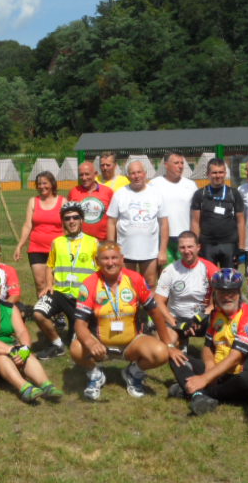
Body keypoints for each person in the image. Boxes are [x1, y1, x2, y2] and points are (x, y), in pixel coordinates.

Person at [71, 241, 176, 400]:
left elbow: (155, 312)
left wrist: (169, 345)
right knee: (76, 348)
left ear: (122, 259)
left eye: (114, 258)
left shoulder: (135, 279)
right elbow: (79, 324)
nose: (110, 262)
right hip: (100, 344)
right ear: (97, 261)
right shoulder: (89, 283)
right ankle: (95, 375)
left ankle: (133, 373)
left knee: (161, 353)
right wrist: (91, 343)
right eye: (105, 258)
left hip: (131, 344)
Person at [167, 268, 248, 414]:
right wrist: (209, 365)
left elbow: (235, 358)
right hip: (218, 372)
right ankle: (201, 394)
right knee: (176, 357)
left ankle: (199, 394)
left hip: (241, 376)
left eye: (231, 292)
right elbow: (207, 346)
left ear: (239, 293)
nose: (227, 297)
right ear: (215, 294)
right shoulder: (216, 314)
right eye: (222, 292)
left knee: (245, 379)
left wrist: (205, 379)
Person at [0, 272, 63, 404]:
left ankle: (47, 386)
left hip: (8, 354)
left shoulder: (10, 308)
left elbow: (22, 332)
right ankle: (24, 388)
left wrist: (25, 349)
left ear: (0, 288)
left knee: (26, 353)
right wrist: (10, 349)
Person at [33, 202, 99, 359]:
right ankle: (57, 345)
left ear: (82, 220)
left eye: (75, 217)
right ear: (63, 221)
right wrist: (49, 284)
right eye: (67, 218)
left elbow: (100, 271)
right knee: (38, 313)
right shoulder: (57, 242)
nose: (72, 221)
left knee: (78, 343)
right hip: (60, 293)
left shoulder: (93, 242)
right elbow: (50, 266)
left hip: (82, 297)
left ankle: (76, 329)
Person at [106, 159, 167, 286]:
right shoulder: (120, 194)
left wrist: (162, 251)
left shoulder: (156, 194)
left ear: (145, 173)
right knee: (126, 284)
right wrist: (111, 247)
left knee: (150, 283)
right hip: (125, 251)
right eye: (132, 173)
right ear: (127, 176)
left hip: (150, 251)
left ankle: (148, 301)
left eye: (139, 172)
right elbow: (111, 222)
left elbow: (164, 224)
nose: (136, 176)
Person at [154, 231, 217, 344]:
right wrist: (176, 323)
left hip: (202, 318)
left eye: (190, 247)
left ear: (198, 247)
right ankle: (180, 343)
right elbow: (158, 301)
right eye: (182, 247)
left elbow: (219, 301)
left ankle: (209, 348)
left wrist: (202, 316)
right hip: (177, 318)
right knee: (165, 342)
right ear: (178, 249)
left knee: (224, 332)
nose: (186, 251)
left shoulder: (210, 268)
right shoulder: (170, 270)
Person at [13, 171, 65, 297]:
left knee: (55, 283)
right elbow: (27, 225)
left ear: (52, 184)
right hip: (36, 248)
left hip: (57, 248)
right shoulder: (33, 201)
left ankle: (56, 308)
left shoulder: (62, 201)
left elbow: (68, 225)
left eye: (45, 183)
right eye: (39, 184)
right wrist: (20, 245)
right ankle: (42, 307)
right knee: (40, 283)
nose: (42, 186)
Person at [190, 158, 246, 270]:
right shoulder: (200, 194)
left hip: (229, 244)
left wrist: (241, 247)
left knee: (230, 278)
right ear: (208, 174)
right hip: (207, 244)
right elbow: (195, 222)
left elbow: (241, 222)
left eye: (221, 172)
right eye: (214, 172)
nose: (218, 175)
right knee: (209, 277)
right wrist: (196, 245)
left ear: (225, 173)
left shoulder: (233, 193)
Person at [150, 151, 198, 261]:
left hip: (185, 237)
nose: (180, 166)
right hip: (161, 237)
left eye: (182, 163)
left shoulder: (191, 185)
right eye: (176, 163)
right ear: (166, 165)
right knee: (165, 269)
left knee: (185, 269)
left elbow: (195, 215)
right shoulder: (154, 184)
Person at [66, 161, 114, 241]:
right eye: (81, 175)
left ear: (95, 174)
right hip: (79, 241)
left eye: (87, 174)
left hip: (102, 241)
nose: (84, 178)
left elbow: (114, 219)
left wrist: (111, 240)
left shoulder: (108, 192)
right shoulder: (73, 192)